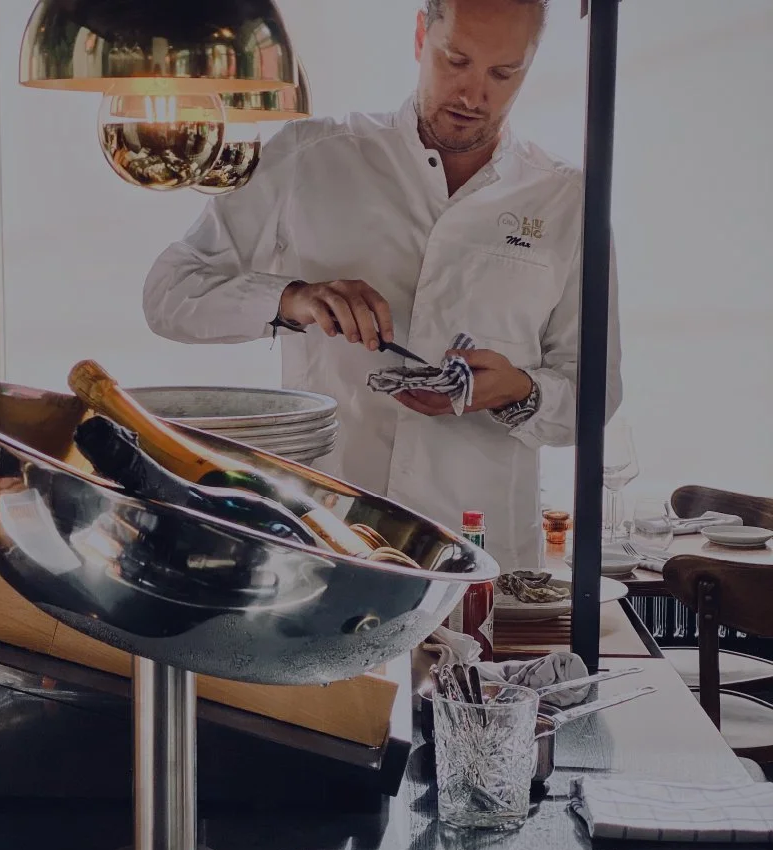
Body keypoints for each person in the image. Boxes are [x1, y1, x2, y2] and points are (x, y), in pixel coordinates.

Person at [143, 0, 622, 570]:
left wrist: (517, 391)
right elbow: (169, 294)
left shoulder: (568, 200)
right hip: (325, 536)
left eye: (503, 73)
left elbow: (595, 395)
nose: (473, 95)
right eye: (456, 60)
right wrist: (292, 299)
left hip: (482, 550)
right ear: (421, 36)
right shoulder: (308, 156)